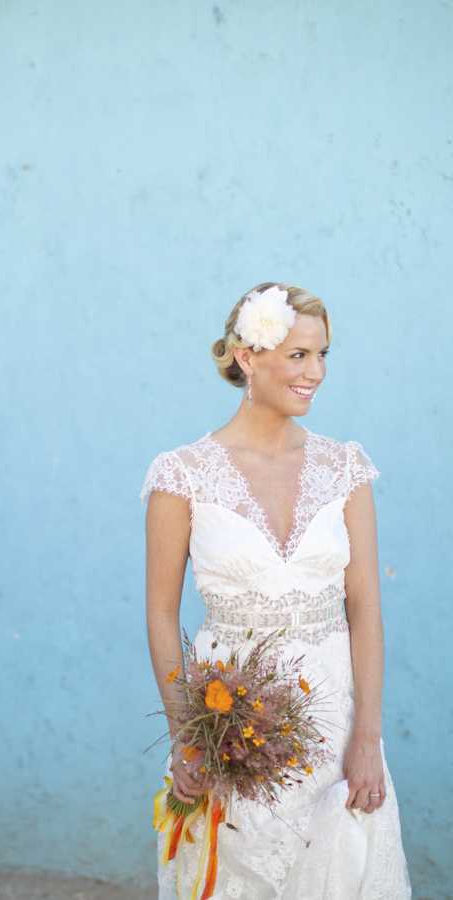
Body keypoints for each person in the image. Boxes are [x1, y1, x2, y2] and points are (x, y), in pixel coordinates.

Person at [141, 284, 411, 900]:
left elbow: (365, 608)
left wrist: (366, 737)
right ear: (246, 356)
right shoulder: (180, 474)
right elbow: (161, 612)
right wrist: (187, 736)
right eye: (297, 355)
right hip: (229, 722)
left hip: (335, 720)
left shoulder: (346, 468)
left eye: (321, 355)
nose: (315, 372)